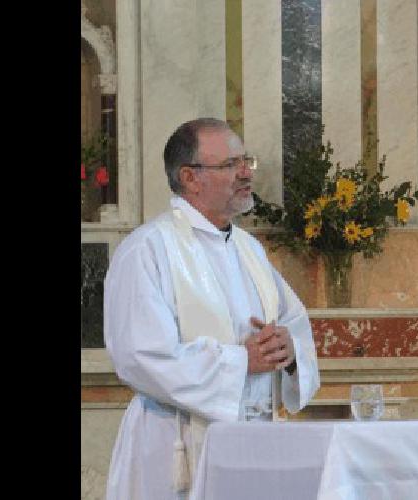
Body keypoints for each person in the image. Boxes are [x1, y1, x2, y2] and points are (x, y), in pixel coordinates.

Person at [103, 118, 320, 499]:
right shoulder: (149, 249)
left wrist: (289, 351)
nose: (245, 174)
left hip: (253, 440)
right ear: (190, 177)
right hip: (176, 444)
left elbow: (292, 323)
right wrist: (241, 362)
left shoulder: (247, 249)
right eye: (230, 165)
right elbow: (140, 356)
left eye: (245, 162)